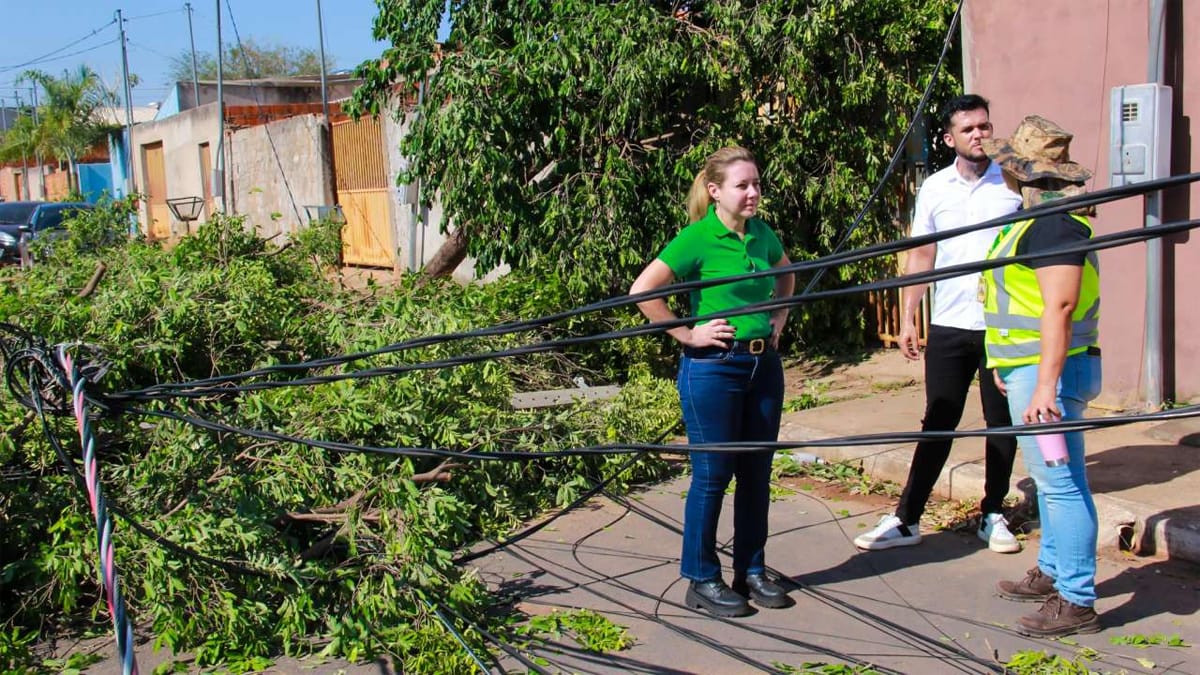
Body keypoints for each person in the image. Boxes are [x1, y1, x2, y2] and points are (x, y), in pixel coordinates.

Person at [855, 94, 1024, 554]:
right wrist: (909, 314)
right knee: (939, 418)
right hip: (950, 322)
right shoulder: (935, 187)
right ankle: (907, 518)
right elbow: (922, 254)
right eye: (968, 129)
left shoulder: (1012, 184)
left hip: (1002, 324)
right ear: (950, 138)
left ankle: (993, 512)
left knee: (1000, 422)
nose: (979, 135)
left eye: (984, 127)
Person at [630, 146, 795, 618]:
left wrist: (778, 317)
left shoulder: (762, 234)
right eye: (742, 185)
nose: (753, 193)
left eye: (757, 183)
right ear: (715, 190)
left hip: (764, 367)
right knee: (712, 475)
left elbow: (786, 274)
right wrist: (687, 332)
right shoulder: (698, 238)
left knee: (757, 473)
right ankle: (701, 578)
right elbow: (643, 291)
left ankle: (752, 570)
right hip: (714, 368)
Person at [980, 115, 1102, 638]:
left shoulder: (1053, 224)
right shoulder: (1034, 222)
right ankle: (1053, 570)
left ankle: (1076, 599)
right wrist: (1008, 365)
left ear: (1024, 174)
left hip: (1050, 373)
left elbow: (1061, 306)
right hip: (1030, 369)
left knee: (1061, 483)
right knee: (1054, 485)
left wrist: (1045, 386)